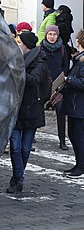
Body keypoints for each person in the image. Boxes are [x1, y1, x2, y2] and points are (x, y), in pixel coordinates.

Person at [7, 31, 49, 193]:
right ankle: (18, 178)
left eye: (20, 42)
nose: (18, 44)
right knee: (15, 147)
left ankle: (18, 177)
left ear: (26, 45)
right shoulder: (17, 59)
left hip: (32, 108)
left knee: (25, 148)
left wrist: (16, 70)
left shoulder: (40, 60)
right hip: (17, 107)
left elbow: (34, 80)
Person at [40, 25, 70, 150]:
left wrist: (61, 81)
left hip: (58, 87)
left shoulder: (62, 49)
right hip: (43, 85)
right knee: (38, 110)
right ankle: (32, 136)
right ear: (46, 35)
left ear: (58, 35)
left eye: (54, 34)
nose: (52, 37)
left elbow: (65, 66)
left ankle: (62, 140)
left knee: (60, 113)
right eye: (50, 34)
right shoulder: (41, 48)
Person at [61, 30, 84, 178]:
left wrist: (67, 79)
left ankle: (81, 166)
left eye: (77, 39)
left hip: (80, 106)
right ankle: (78, 164)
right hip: (74, 104)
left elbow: (82, 83)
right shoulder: (79, 59)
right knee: (73, 135)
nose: (75, 41)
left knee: (78, 137)